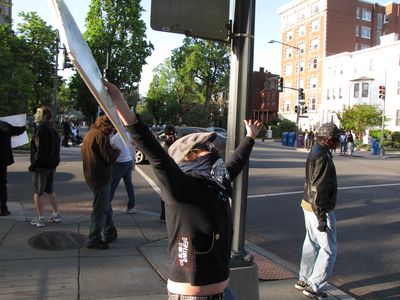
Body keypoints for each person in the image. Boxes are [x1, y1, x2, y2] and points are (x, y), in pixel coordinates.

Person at [104, 80, 261, 300]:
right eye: (205, 148)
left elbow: (235, 163)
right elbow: (154, 152)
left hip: (224, 293)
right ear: (187, 158)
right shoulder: (181, 189)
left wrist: (250, 137)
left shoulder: (216, 182)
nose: (213, 150)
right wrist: (120, 102)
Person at [295, 123, 340, 299]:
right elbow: (319, 187)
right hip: (318, 208)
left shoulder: (317, 150)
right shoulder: (322, 156)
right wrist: (321, 216)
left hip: (309, 205)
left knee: (311, 244)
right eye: (336, 138)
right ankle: (314, 286)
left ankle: (304, 279)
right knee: (329, 249)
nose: (338, 140)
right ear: (328, 139)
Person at [81, 115, 121, 250]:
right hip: (100, 177)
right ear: (107, 125)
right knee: (100, 209)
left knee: (105, 206)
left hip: (93, 175)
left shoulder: (91, 133)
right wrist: (117, 150)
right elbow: (109, 157)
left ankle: (110, 232)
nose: (113, 131)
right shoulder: (101, 136)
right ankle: (94, 238)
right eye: (112, 127)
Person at [29, 106, 62, 227]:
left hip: (42, 166)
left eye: (38, 113)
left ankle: (40, 218)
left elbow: (40, 150)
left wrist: (34, 165)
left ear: (45, 116)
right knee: (49, 190)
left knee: (38, 192)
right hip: (51, 165)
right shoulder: (52, 130)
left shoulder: (41, 129)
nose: (35, 116)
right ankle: (56, 213)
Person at [0, 120, 26, 216]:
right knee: (2, 184)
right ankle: (3, 208)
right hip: (2, 159)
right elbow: (17, 130)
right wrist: (24, 127)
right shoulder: (5, 125)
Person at [110, 130, 137, 214]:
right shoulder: (126, 134)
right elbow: (133, 143)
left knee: (112, 185)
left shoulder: (113, 139)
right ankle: (131, 206)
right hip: (128, 160)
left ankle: (106, 206)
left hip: (120, 162)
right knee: (129, 185)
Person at [159, 123, 176, 222]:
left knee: (164, 194)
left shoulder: (164, 144)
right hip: (175, 172)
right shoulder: (178, 143)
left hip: (165, 173)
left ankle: (164, 216)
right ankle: (169, 216)